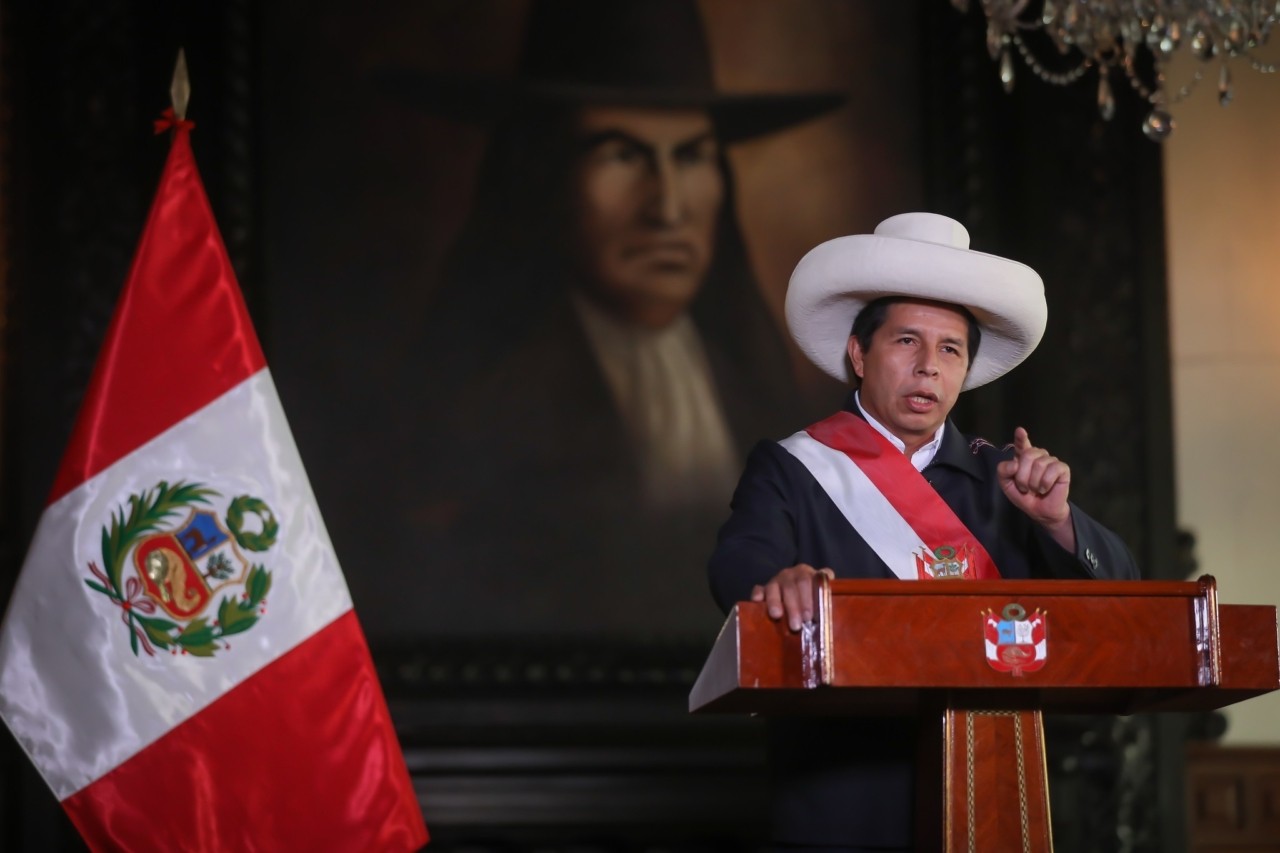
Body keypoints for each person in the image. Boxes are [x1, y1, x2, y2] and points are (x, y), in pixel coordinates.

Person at [352, 0, 848, 636]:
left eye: (691, 156)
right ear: (545, 177)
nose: (668, 208)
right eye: (622, 156)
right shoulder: (482, 408)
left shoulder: (759, 395)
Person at [707, 212, 1141, 849]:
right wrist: (776, 582)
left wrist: (1058, 522)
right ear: (859, 354)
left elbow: (1123, 599)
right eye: (906, 341)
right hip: (843, 795)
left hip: (990, 792)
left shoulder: (1009, 479)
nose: (928, 367)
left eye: (950, 349)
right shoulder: (794, 466)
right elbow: (738, 559)